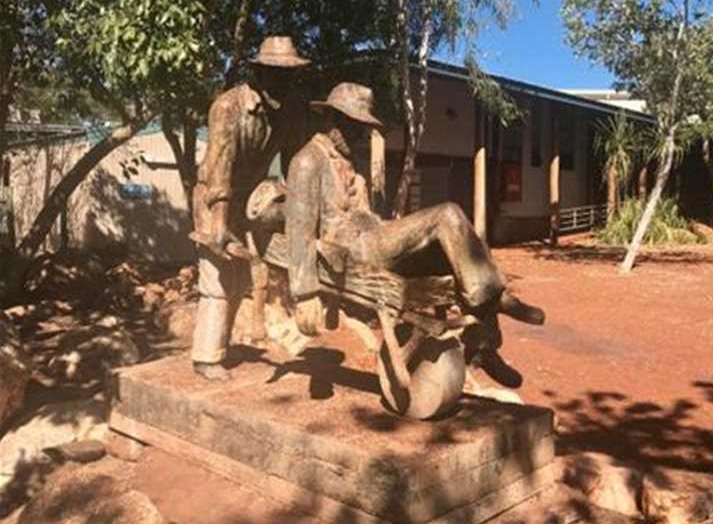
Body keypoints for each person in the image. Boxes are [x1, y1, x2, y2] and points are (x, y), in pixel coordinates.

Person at [283, 82, 545, 388]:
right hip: (352, 249)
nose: (360, 135)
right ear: (332, 122)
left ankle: (483, 346)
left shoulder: (348, 159)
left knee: (457, 254)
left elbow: (366, 213)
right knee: (447, 214)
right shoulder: (306, 161)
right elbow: (298, 230)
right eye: (355, 127)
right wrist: (305, 294)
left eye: (362, 129)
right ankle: (494, 298)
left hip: (373, 235)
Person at [192, 36, 310, 381]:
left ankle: (221, 346)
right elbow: (220, 168)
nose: (283, 83)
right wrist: (218, 224)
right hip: (214, 196)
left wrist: (300, 208)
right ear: (258, 73)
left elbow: (293, 163)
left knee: (242, 278)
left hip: (249, 198)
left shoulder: (285, 113)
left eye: (288, 76)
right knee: (217, 273)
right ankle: (205, 356)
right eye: (275, 75)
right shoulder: (227, 107)